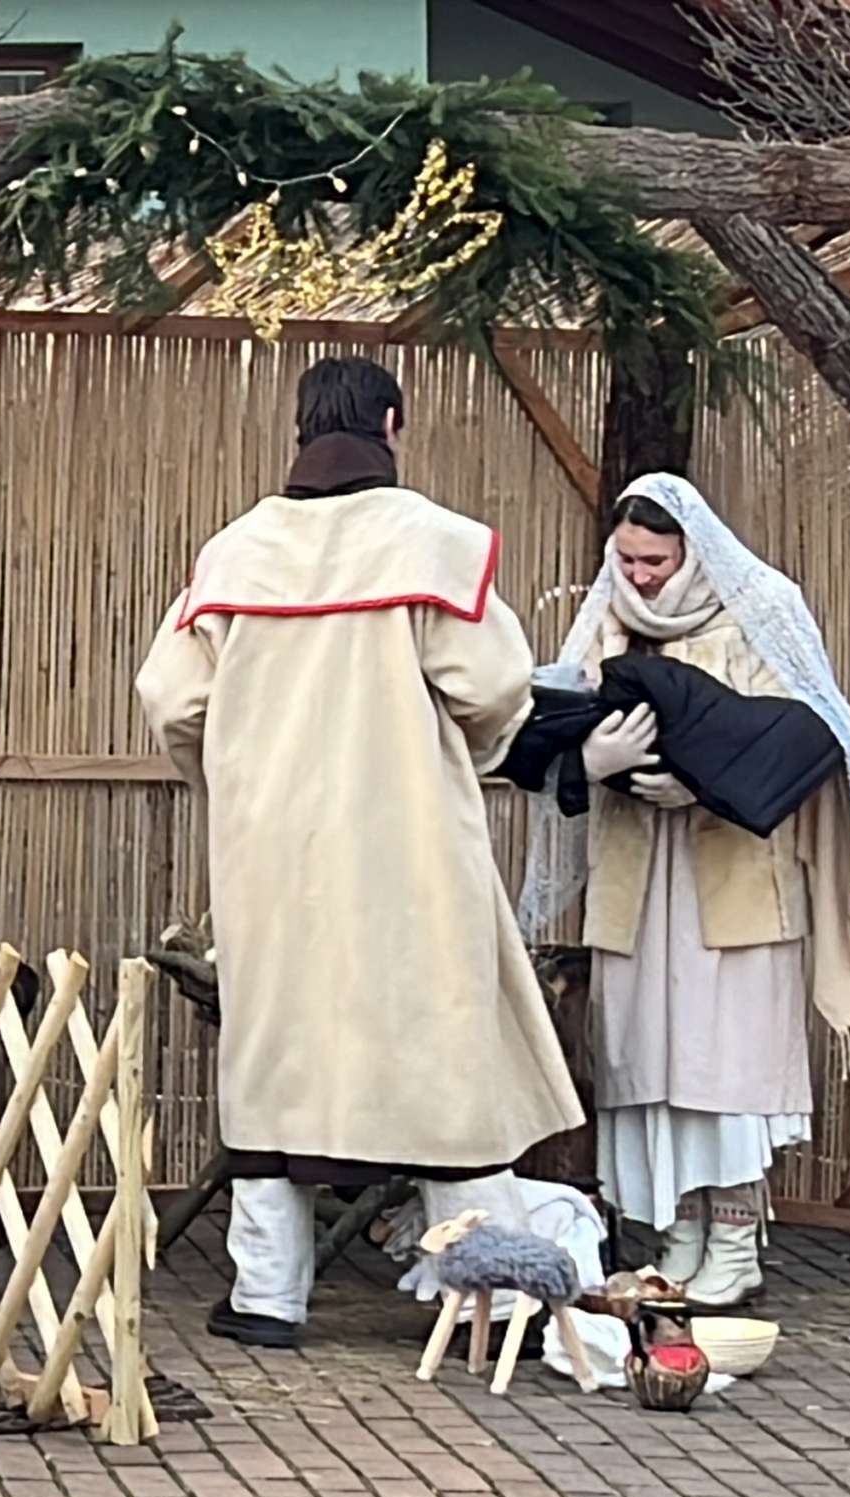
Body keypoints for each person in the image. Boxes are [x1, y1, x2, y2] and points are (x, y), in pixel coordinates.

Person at [134, 355, 579, 1349]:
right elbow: (494, 687)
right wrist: (467, 751)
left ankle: (268, 1295)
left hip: (271, 856)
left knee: (275, 1051)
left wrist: (232, 782)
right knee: (442, 1051)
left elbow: (172, 698)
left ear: (300, 428)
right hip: (409, 843)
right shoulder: (433, 545)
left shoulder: (234, 555)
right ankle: (498, 1299)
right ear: (391, 424)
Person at [522, 474, 850, 1307]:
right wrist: (592, 759)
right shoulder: (608, 615)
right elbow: (553, 724)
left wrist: (705, 781)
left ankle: (733, 1244)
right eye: (626, 559)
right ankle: (677, 1240)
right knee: (648, 1061)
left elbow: (816, 735)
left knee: (725, 1061)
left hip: (735, 878)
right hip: (637, 874)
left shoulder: (762, 611)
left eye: (655, 561)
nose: (639, 576)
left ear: (693, 551)